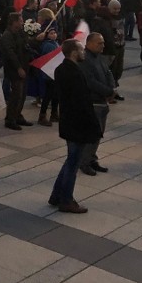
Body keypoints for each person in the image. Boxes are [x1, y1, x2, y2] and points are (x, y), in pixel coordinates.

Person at [48, 39, 102, 214]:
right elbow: (82, 103)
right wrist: (93, 126)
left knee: (70, 160)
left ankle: (57, 195)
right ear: (73, 52)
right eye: (81, 49)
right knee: (73, 163)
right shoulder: (74, 73)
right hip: (77, 124)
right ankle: (66, 200)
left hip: (69, 122)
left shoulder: (61, 69)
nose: (84, 52)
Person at [78, 33, 115, 176]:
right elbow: (90, 81)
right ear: (89, 43)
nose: (103, 45)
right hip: (92, 102)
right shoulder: (84, 59)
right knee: (91, 134)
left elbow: (108, 73)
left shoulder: (99, 57)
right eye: (100, 43)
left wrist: (112, 88)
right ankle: (84, 162)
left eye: (103, 42)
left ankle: (93, 159)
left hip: (102, 102)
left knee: (99, 134)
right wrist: (107, 91)